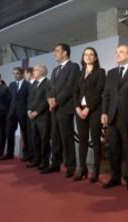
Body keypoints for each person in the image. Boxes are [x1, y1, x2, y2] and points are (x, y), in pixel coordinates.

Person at [101, 45, 128, 191]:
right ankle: (115, 177)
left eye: (121, 52)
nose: (117, 54)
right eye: (116, 52)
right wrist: (104, 113)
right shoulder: (111, 73)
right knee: (114, 150)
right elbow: (106, 95)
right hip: (112, 117)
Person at [43, 43, 80, 178]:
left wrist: (57, 101)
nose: (55, 53)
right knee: (55, 137)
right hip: (54, 109)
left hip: (65, 107)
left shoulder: (74, 67)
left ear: (65, 53)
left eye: (57, 51)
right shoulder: (54, 70)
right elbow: (50, 89)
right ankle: (55, 164)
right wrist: (49, 99)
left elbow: (70, 87)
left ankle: (70, 166)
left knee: (67, 137)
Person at [73, 47, 106, 183]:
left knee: (96, 141)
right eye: (85, 54)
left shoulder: (100, 72)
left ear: (95, 57)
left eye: (91, 54)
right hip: (80, 111)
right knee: (82, 141)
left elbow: (99, 92)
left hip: (94, 111)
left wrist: (88, 109)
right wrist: (77, 108)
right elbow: (74, 92)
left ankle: (96, 171)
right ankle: (82, 168)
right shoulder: (79, 74)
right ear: (83, 57)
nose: (88, 56)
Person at [26, 64, 51, 172]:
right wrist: (29, 110)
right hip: (32, 117)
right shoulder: (34, 84)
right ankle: (36, 160)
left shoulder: (48, 83)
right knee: (35, 139)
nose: (33, 72)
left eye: (35, 70)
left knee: (44, 140)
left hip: (43, 117)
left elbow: (46, 100)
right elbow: (30, 99)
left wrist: (36, 111)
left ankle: (45, 162)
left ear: (41, 72)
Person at [1, 67, 30, 160]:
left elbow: (30, 100)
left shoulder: (28, 85)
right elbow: (9, 99)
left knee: (25, 134)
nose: (15, 75)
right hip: (12, 112)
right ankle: (9, 153)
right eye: (14, 73)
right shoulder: (11, 85)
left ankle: (27, 154)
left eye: (17, 73)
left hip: (23, 112)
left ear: (22, 74)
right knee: (9, 132)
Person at [22, 67, 35, 162]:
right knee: (29, 136)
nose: (24, 76)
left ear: (30, 73)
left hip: (36, 114)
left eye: (25, 74)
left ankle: (35, 157)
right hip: (28, 113)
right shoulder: (28, 84)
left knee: (34, 136)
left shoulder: (35, 84)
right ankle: (30, 155)